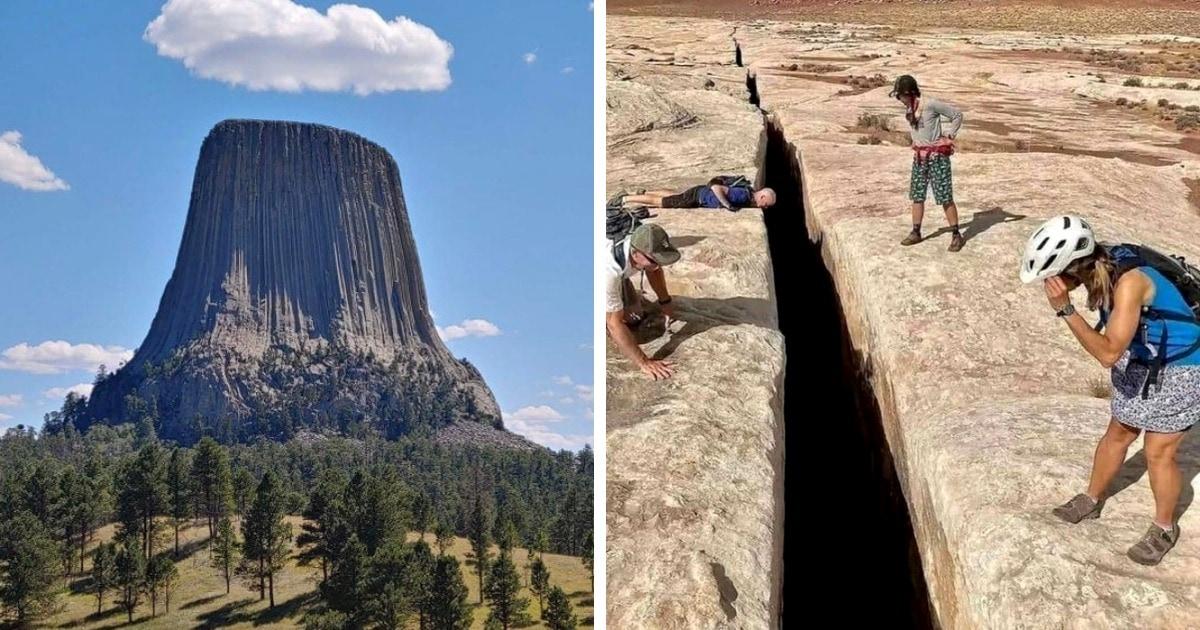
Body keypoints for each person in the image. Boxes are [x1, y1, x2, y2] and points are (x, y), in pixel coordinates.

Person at [1020, 215, 1200, 566]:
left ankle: (1164, 527)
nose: (1051, 283)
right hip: (1143, 358)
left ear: (1072, 267)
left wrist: (1066, 311)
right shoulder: (1102, 266)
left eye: (1052, 274)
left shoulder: (1128, 283)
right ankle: (1091, 498)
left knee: (1158, 452)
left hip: (1182, 366)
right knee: (1118, 431)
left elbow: (1107, 353)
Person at [890, 75, 965, 252]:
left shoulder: (930, 104)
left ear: (909, 93)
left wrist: (949, 137)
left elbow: (957, 115)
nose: (898, 99)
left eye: (900, 95)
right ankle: (916, 232)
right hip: (920, 158)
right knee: (917, 195)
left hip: (937, 158)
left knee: (945, 196)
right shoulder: (911, 109)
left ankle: (956, 235)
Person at [605, 222, 681, 380]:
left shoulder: (642, 238)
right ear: (635, 253)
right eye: (653, 261)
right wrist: (644, 362)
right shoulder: (608, 271)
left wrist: (665, 301)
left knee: (636, 316)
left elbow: (654, 270)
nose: (657, 265)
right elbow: (614, 324)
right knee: (622, 323)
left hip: (618, 273)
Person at [621, 177, 776, 211]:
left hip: (699, 192)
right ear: (762, 196)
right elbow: (717, 188)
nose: (765, 207)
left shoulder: (748, 193)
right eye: (766, 204)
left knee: (676, 195)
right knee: (661, 202)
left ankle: (644, 192)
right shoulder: (742, 195)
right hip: (698, 197)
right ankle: (626, 198)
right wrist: (727, 204)